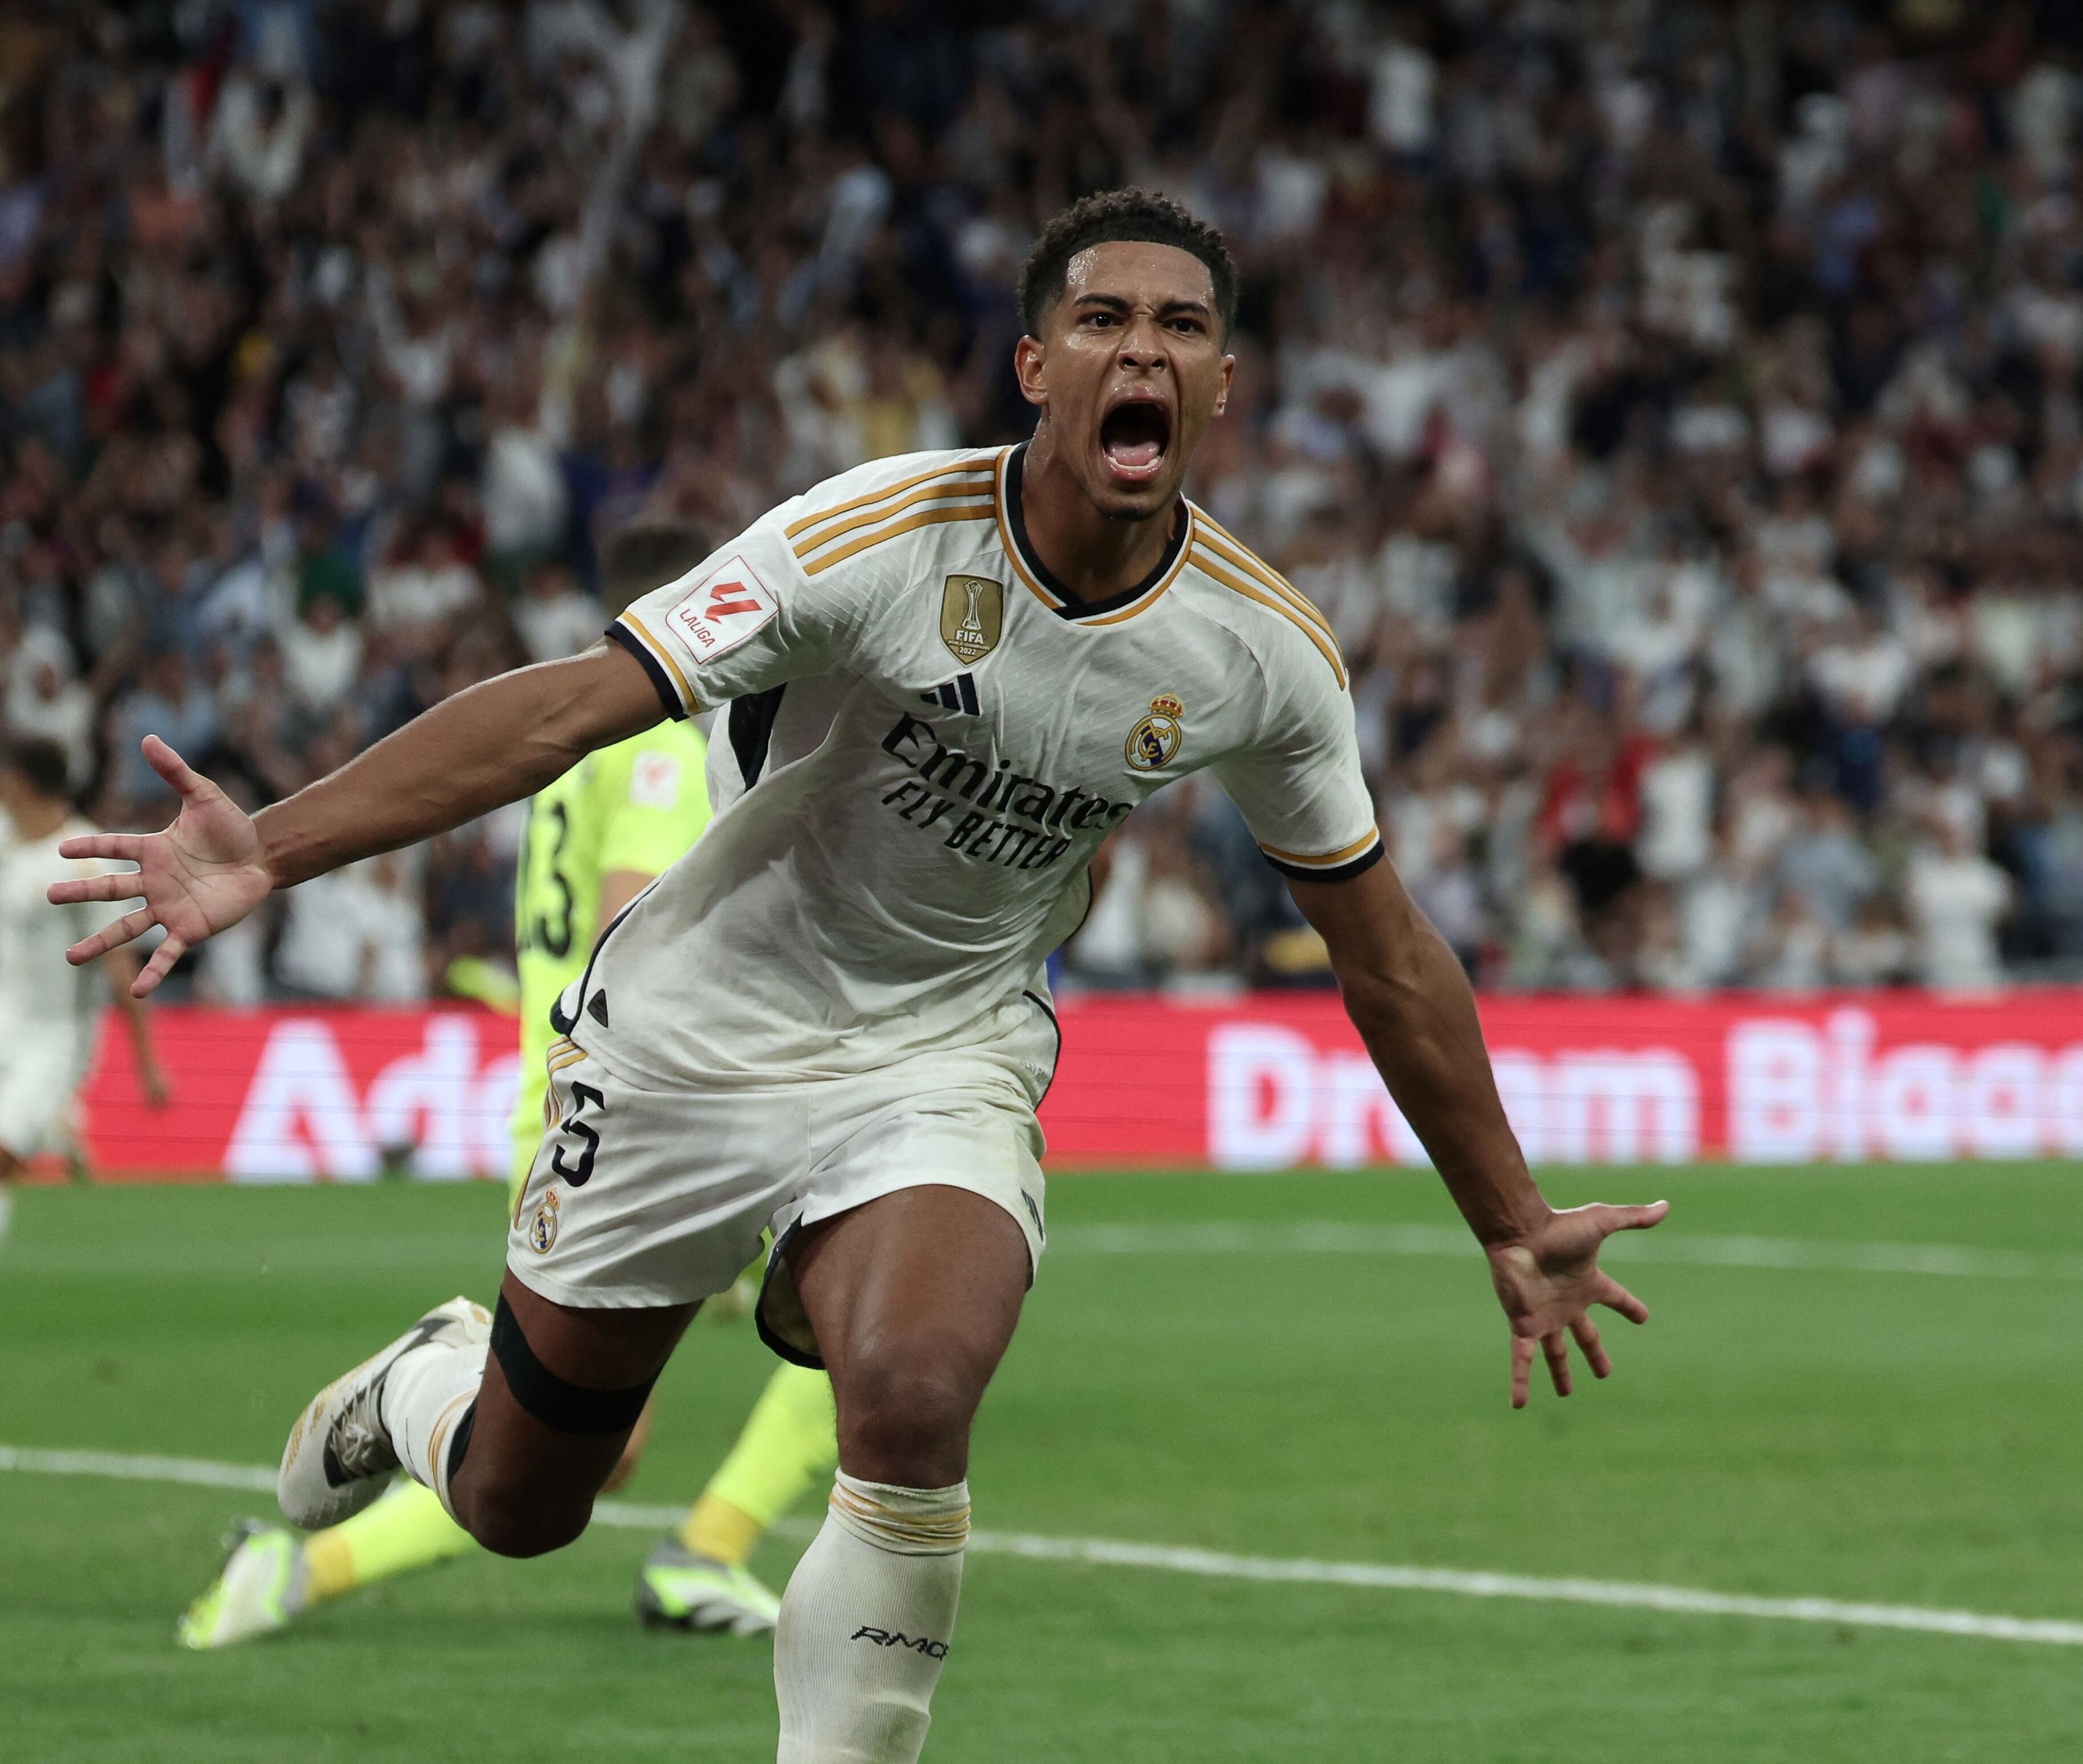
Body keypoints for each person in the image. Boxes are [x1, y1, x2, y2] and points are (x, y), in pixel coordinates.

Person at [56, 189, 1667, 1763]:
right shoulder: (870, 539)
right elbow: (568, 711)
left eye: (1182, 328)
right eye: (1102, 318)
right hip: (694, 1033)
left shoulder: (1258, 653)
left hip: (941, 1051)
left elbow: (1379, 945)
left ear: (1221, 383)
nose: (1144, 351)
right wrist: (272, 843)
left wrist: (1510, 1216)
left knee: (910, 1390)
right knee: (522, 1503)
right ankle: (426, 1381)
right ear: (1035, 366)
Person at [175, 526, 837, 1650]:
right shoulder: (667, 733)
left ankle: (305, 1566)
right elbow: (643, 905)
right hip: (666, 1099)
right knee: (855, 1314)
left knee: (594, 1442)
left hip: (581, 1088)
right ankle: (699, 1547)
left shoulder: (588, 735)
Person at [0, 736, 168, 1243]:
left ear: (23, 782)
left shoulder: (86, 857)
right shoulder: (5, 843)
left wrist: (148, 1062)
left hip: (56, 1039)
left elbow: (120, 965)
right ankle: (59, 1127)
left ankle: (55, 1120)